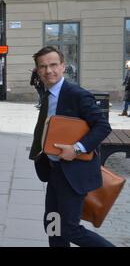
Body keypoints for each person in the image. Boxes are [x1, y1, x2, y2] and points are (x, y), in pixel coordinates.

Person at [29, 46, 114, 247]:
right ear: (38, 71)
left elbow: (102, 126)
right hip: (54, 171)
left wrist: (76, 148)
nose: (49, 71)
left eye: (53, 65)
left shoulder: (76, 94)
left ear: (63, 66)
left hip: (73, 172)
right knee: (53, 225)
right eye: (43, 67)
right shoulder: (47, 93)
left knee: (70, 229)